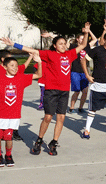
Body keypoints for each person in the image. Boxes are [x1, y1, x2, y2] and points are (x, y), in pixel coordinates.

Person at [2, 22, 90, 156]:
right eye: (60, 43)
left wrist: (86, 32)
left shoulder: (70, 54)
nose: (63, 45)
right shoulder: (49, 54)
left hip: (64, 91)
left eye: (64, 43)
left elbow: (83, 45)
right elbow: (31, 50)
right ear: (55, 46)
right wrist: (13, 44)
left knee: (61, 118)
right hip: (51, 90)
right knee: (48, 117)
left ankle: (54, 142)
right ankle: (39, 140)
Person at [0, 54, 42, 166]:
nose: (15, 68)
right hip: (1, 114)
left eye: (16, 66)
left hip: (13, 115)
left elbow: (39, 74)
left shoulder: (21, 78)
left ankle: (8, 155)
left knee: (9, 136)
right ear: (4, 67)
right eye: (12, 65)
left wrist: (39, 62)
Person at [0, 50, 33, 141]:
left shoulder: (13, 69)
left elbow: (23, 67)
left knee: (13, 117)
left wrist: (30, 57)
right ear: (3, 60)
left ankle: (13, 133)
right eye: (9, 57)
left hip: (13, 101)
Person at [67, 30, 98, 113]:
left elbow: (95, 40)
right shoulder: (73, 46)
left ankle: (81, 108)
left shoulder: (87, 46)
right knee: (76, 91)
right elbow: (64, 44)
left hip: (84, 72)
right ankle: (71, 108)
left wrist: (89, 31)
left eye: (84, 38)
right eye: (81, 38)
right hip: (75, 71)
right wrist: (51, 35)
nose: (83, 40)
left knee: (85, 91)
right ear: (77, 39)